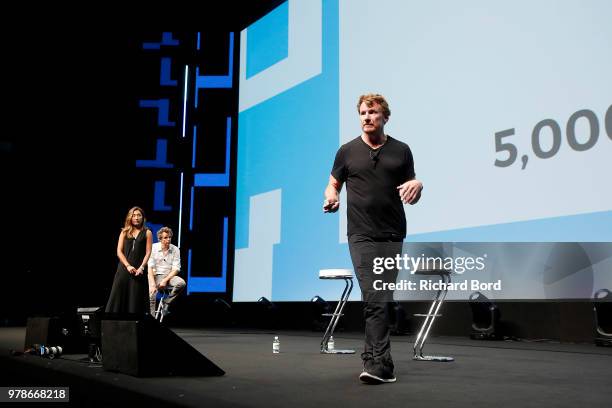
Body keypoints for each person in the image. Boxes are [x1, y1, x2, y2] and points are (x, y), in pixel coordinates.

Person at [323, 94, 423, 384]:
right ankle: (376, 364)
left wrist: (418, 184)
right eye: (363, 112)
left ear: (385, 117)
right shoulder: (347, 151)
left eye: (373, 112)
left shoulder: (401, 151)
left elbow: (411, 191)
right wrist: (331, 196)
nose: (367, 117)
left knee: (381, 297)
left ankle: (382, 363)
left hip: (392, 233)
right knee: (374, 296)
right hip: (361, 234)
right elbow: (333, 183)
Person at [105, 206, 153, 315]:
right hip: (124, 269)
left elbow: (148, 252)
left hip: (139, 271)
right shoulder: (124, 232)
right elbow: (119, 251)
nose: (136, 218)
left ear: (143, 218)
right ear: (130, 217)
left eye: (139, 215)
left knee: (135, 298)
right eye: (134, 215)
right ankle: (112, 323)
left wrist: (141, 267)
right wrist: (127, 266)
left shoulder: (147, 232)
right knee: (117, 296)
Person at [148, 226, 185, 317]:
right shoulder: (153, 248)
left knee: (181, 283)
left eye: (169, 237)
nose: (168, 240)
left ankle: (166, 302)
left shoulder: (175, 249)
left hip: (169, 276)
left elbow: (176, 268)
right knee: (151, 294)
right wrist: (153, 284)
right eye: (165, 238)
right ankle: (152, 320)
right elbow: (150, 267)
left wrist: (165, 280)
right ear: (160, 239)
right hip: (155, 275)